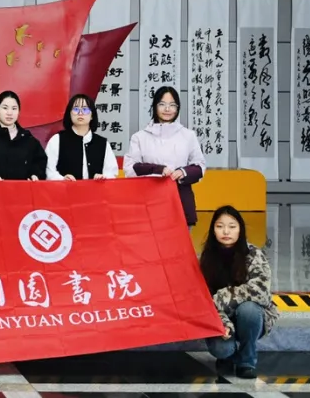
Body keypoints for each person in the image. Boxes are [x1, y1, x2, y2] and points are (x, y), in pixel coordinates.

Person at [199, 205, 278, 379]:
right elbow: (203, 300)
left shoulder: (254, 254)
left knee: (249, 309)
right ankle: (230, 355)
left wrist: (223, 297)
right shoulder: (206, 259)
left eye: (232, 226)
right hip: (219, 317)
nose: (226, 231)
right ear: (213, 230)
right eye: (220, 226)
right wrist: (224, 323)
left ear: (240, 229)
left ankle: (246, 361)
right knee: (221, 349)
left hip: (251, 317)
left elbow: (261, 292)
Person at [123, 86, 206, 226]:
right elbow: (130, 168)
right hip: (149, 202)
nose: (167, 109)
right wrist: (158, 170)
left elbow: (200, 166)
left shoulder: (188, 136)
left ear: (178, 108)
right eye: (162, 104)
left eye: (172, 105)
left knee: (181, 239)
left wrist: (183, 172)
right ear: (154, 106)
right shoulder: (140, 137)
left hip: (180, 201)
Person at [0, 91, 47, 180]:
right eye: (5, 108)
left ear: (18, 111)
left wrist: (35, 174)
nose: (9, 113)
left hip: (22, 188)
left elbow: (40, 163)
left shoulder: (28, 140)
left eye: (14, 108)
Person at [45, 94, 119, 180]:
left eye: (85, 109)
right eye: (76, 109)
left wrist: (103, 177)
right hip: (65, 188)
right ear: (69, 114)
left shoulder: (102, 143)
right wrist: (62, 179)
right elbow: (48, 170)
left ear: (92, 115)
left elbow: (112, 172)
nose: (80, 113)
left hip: (96, 188)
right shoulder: (57, 140)